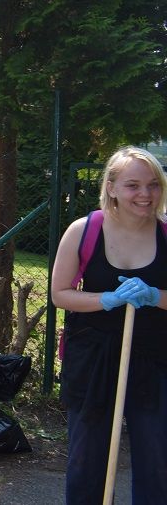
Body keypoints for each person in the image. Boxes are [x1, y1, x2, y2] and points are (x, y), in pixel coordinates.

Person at [51, 146, 167, 505]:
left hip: (156, 361)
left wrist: (154, 295)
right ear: (112, 187)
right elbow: (60, 293)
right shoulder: (84, 230)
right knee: (88, 460)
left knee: (157, 459)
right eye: (133, 185)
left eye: (154, 185)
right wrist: (104, 300)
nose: (145, 194)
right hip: (93, 359)